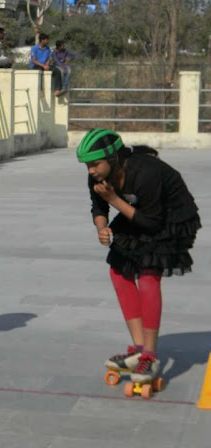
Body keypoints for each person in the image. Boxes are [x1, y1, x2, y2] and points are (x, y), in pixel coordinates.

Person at [76, 128, 201, 385]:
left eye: (95, 164)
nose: (91, 170)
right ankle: (139, 349)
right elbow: (98, 206)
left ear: (113, 159)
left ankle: (151, 355)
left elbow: (152, 223)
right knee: (119, 271)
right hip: (138, 212)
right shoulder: (97, 175)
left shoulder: (145, 173)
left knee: (147, 274)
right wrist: (102, 228)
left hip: (170, 217)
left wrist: (113, 199)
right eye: (87, 165)